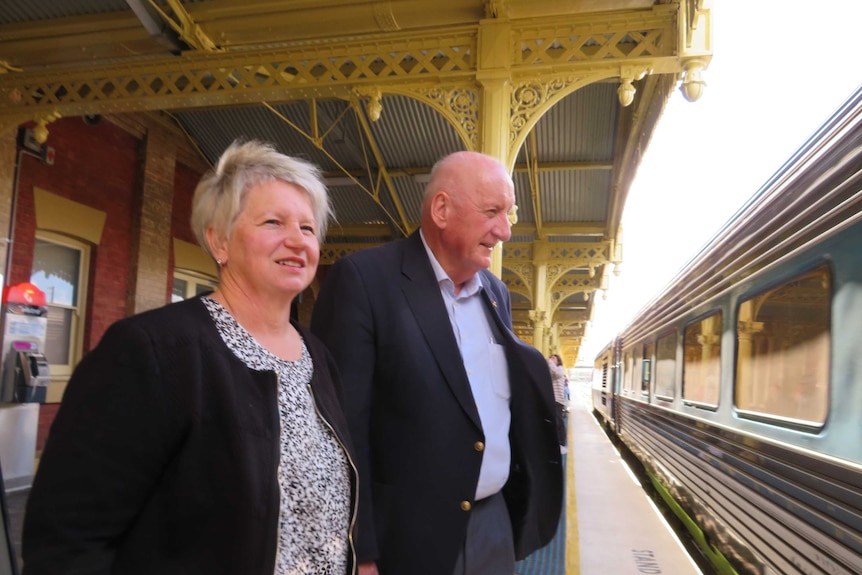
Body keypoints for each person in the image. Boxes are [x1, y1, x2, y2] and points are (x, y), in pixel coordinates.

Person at [22, 140, 358, 575]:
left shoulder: (317, 357)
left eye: (308, 228)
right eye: (273, 222)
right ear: (219, 239)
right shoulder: (152, 352)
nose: (297, 240)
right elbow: (68, 539)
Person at [311, 151, 563, 575]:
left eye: (508, 215)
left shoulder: (496, 293)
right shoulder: (364, 280)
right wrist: (361, 550)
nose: (504, 231)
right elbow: (341, 430)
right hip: (407, 539)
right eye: (492, 212)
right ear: (442, 209)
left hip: (492, 526)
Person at [548, 354, 568, 454]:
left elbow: (556, 374)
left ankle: (562, 444)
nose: (551, 359)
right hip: (554, 399)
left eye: (553, 358)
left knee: (559, 423)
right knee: (555, 422)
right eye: (550, 357)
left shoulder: (560, 369)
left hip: (558, 400)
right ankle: (557, 443)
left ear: (558, 361)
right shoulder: (553, 370)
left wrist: (549, 362)